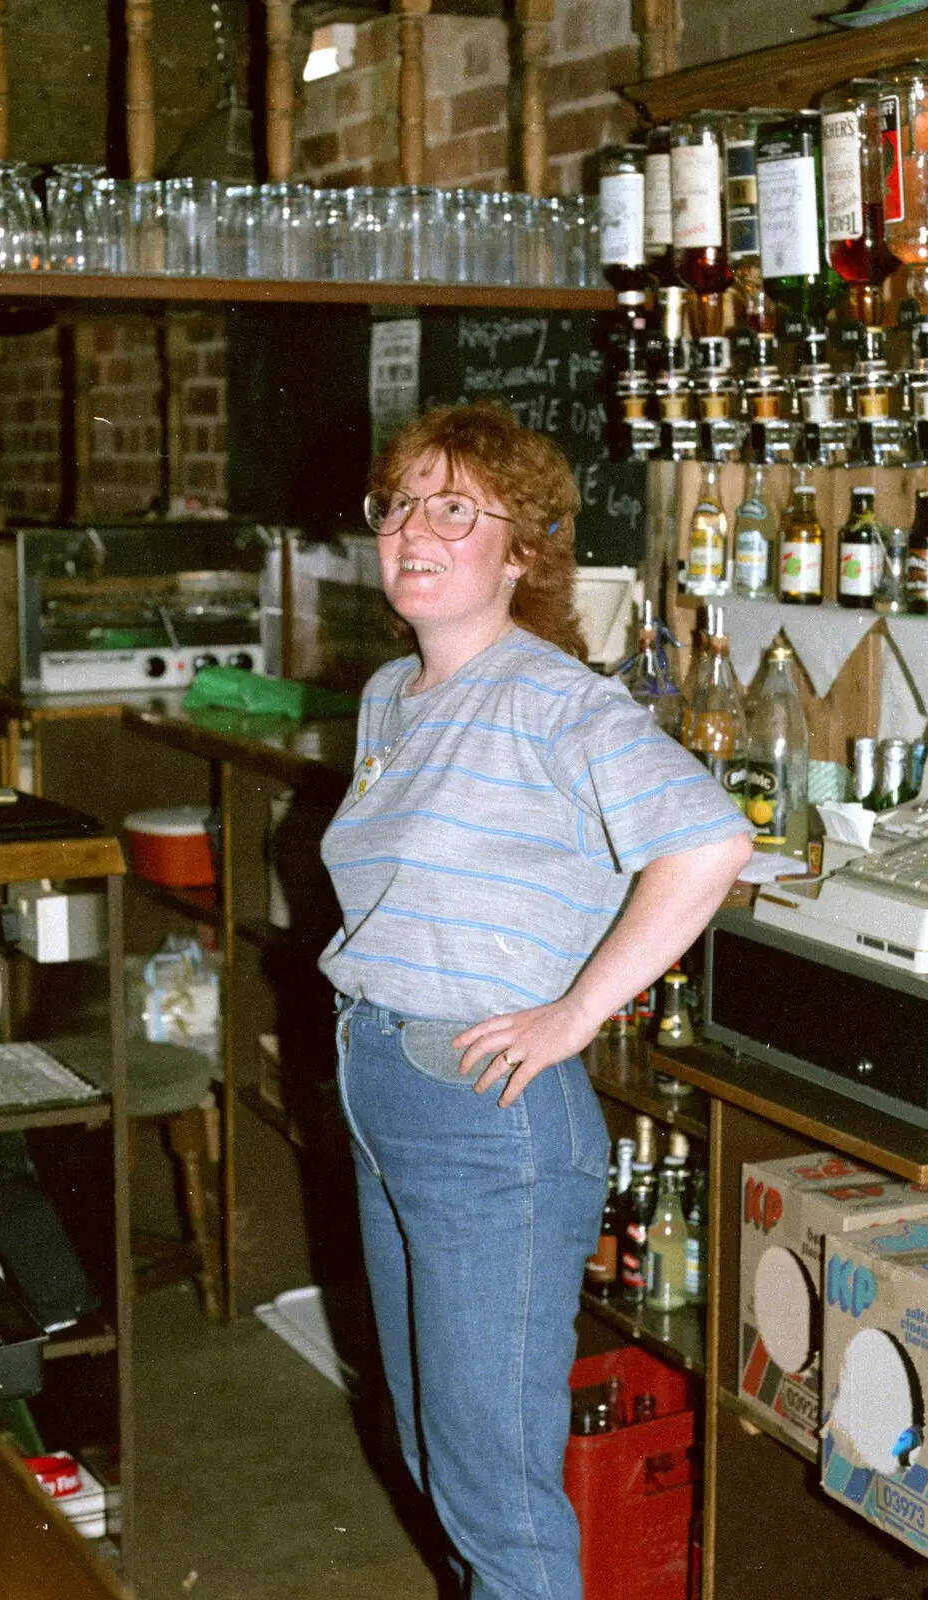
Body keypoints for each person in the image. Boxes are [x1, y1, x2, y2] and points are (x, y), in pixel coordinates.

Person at [318, 402, 753, 1599]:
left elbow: (707, 840)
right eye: (398, 503)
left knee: (495, 1492)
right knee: (431, 1448)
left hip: (485, 1117)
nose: (414, 530)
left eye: (454, 509)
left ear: (521, 554)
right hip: (382, 1086)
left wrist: (572, 1014)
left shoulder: (553, 699)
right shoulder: (390, 696)